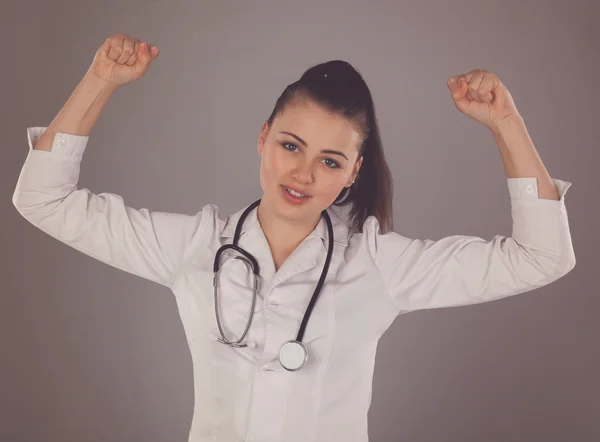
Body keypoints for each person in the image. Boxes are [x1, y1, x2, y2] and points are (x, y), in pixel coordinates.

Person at [12, 33, 575, 442]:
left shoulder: (377, 264)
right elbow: (43, 200)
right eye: (290, 145)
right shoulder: (196, 246)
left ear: (354, 172)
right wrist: (99, 82)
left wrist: (506, 123)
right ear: (263, 137)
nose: (303, 174)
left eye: (330, 161)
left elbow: (542, 257)